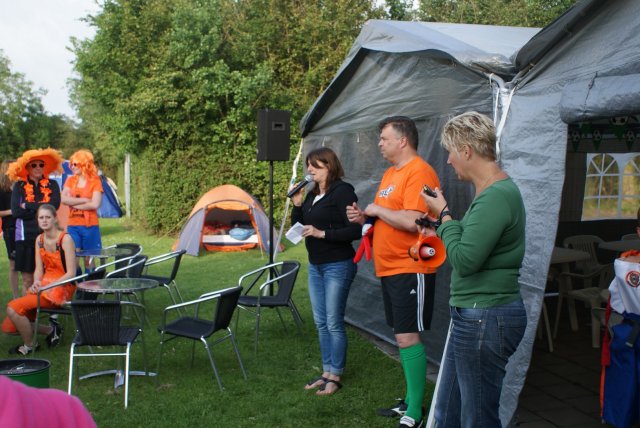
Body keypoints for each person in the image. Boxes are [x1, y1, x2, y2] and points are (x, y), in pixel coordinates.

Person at [419, 111, 526, 428]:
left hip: (485, 317)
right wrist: (442, 224)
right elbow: (470, 243)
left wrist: (445, 216)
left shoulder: (496, 196)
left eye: (451, 152)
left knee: (477, 419)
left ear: (466, 151)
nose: (449, 160)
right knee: (447, 411)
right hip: (476, 315)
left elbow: (465, 260)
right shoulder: (491, 192)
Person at [346, 116, 441, 428]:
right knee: (402, 336)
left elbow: (415, 220)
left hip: (411, 266)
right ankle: (410, 399)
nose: (379, 144)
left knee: (407, 337)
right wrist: (364, 218)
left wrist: (375, 209)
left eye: (384, 139)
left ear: (403, 140)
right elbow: (388, 218)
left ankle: (415, 410)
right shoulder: (391, 173)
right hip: (390, 267)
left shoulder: (420, 171)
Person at [291, 147, 361, 396]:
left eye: (315, 165)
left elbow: (355, 230)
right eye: (308, 165)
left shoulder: (343, 191)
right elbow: (298, 228)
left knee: (333, 321)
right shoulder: (312, 195)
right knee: (321, 322)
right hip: (316, 266)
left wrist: (322, 233)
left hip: (337, 265)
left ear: (329, 166)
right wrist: (297, 205)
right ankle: (326, 372)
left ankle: (335, 376)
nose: (309, 169)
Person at [2, 204, 76, 355]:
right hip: (43, 286)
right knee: (8, 327)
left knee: (12, 308)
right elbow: (39, 270)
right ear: (37, 220)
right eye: (41, 217)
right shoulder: (39, 239)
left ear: (55, 219)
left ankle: (30, 345)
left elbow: (71, 273)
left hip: (62, 288)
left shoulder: (65, 239)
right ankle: (51, 330)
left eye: (48, 217)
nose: (44, 220)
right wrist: (37, 282)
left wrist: (49, 286)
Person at [8, 148, 62, 291]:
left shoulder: (52, 184)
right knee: (28, 279)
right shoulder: (19, 186)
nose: (38, 168)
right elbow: (16, 212)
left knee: (48, 276)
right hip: (25, 237)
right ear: (27, 168)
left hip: (48, 237)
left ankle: (48, 303)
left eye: (41, 165)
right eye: (34, 165)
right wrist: (43, 211)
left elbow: (54, 206)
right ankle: (28, 305)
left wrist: (28, 206)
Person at [61, 150, 103, 272]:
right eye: (71, 164)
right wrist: (84, 200)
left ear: (84, 164)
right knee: (73, 258)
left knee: (88, 259)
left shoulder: (95, 181)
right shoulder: (70, 180)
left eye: (75, 164)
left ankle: (91, 282)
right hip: (73, 225)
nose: (72, 167)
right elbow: (63, 199)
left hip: (90, 226)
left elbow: (95, 204)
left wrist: (73, 203)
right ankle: (77, 282)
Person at [0, 160, 20, 298]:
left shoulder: (21, 186)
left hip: (25, 228)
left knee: (28, 264)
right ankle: (15, 296)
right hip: (10, 229)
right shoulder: (2, 190)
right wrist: (13, 211)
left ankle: (28, 295)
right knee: (13, 264)